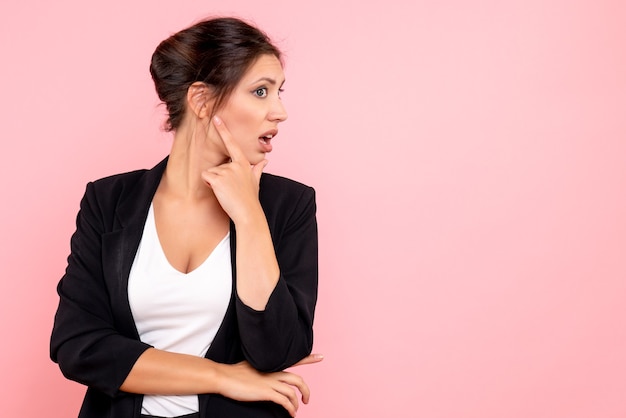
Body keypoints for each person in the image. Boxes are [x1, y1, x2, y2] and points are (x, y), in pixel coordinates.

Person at [50, 16, 321, 418]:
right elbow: (78, 346)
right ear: (200, 100)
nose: (279, 111)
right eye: (260, 91)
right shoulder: (108, 201)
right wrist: (221, 376)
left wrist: (250, 216)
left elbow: (278, 350)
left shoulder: (289, 205)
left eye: (279, 92)